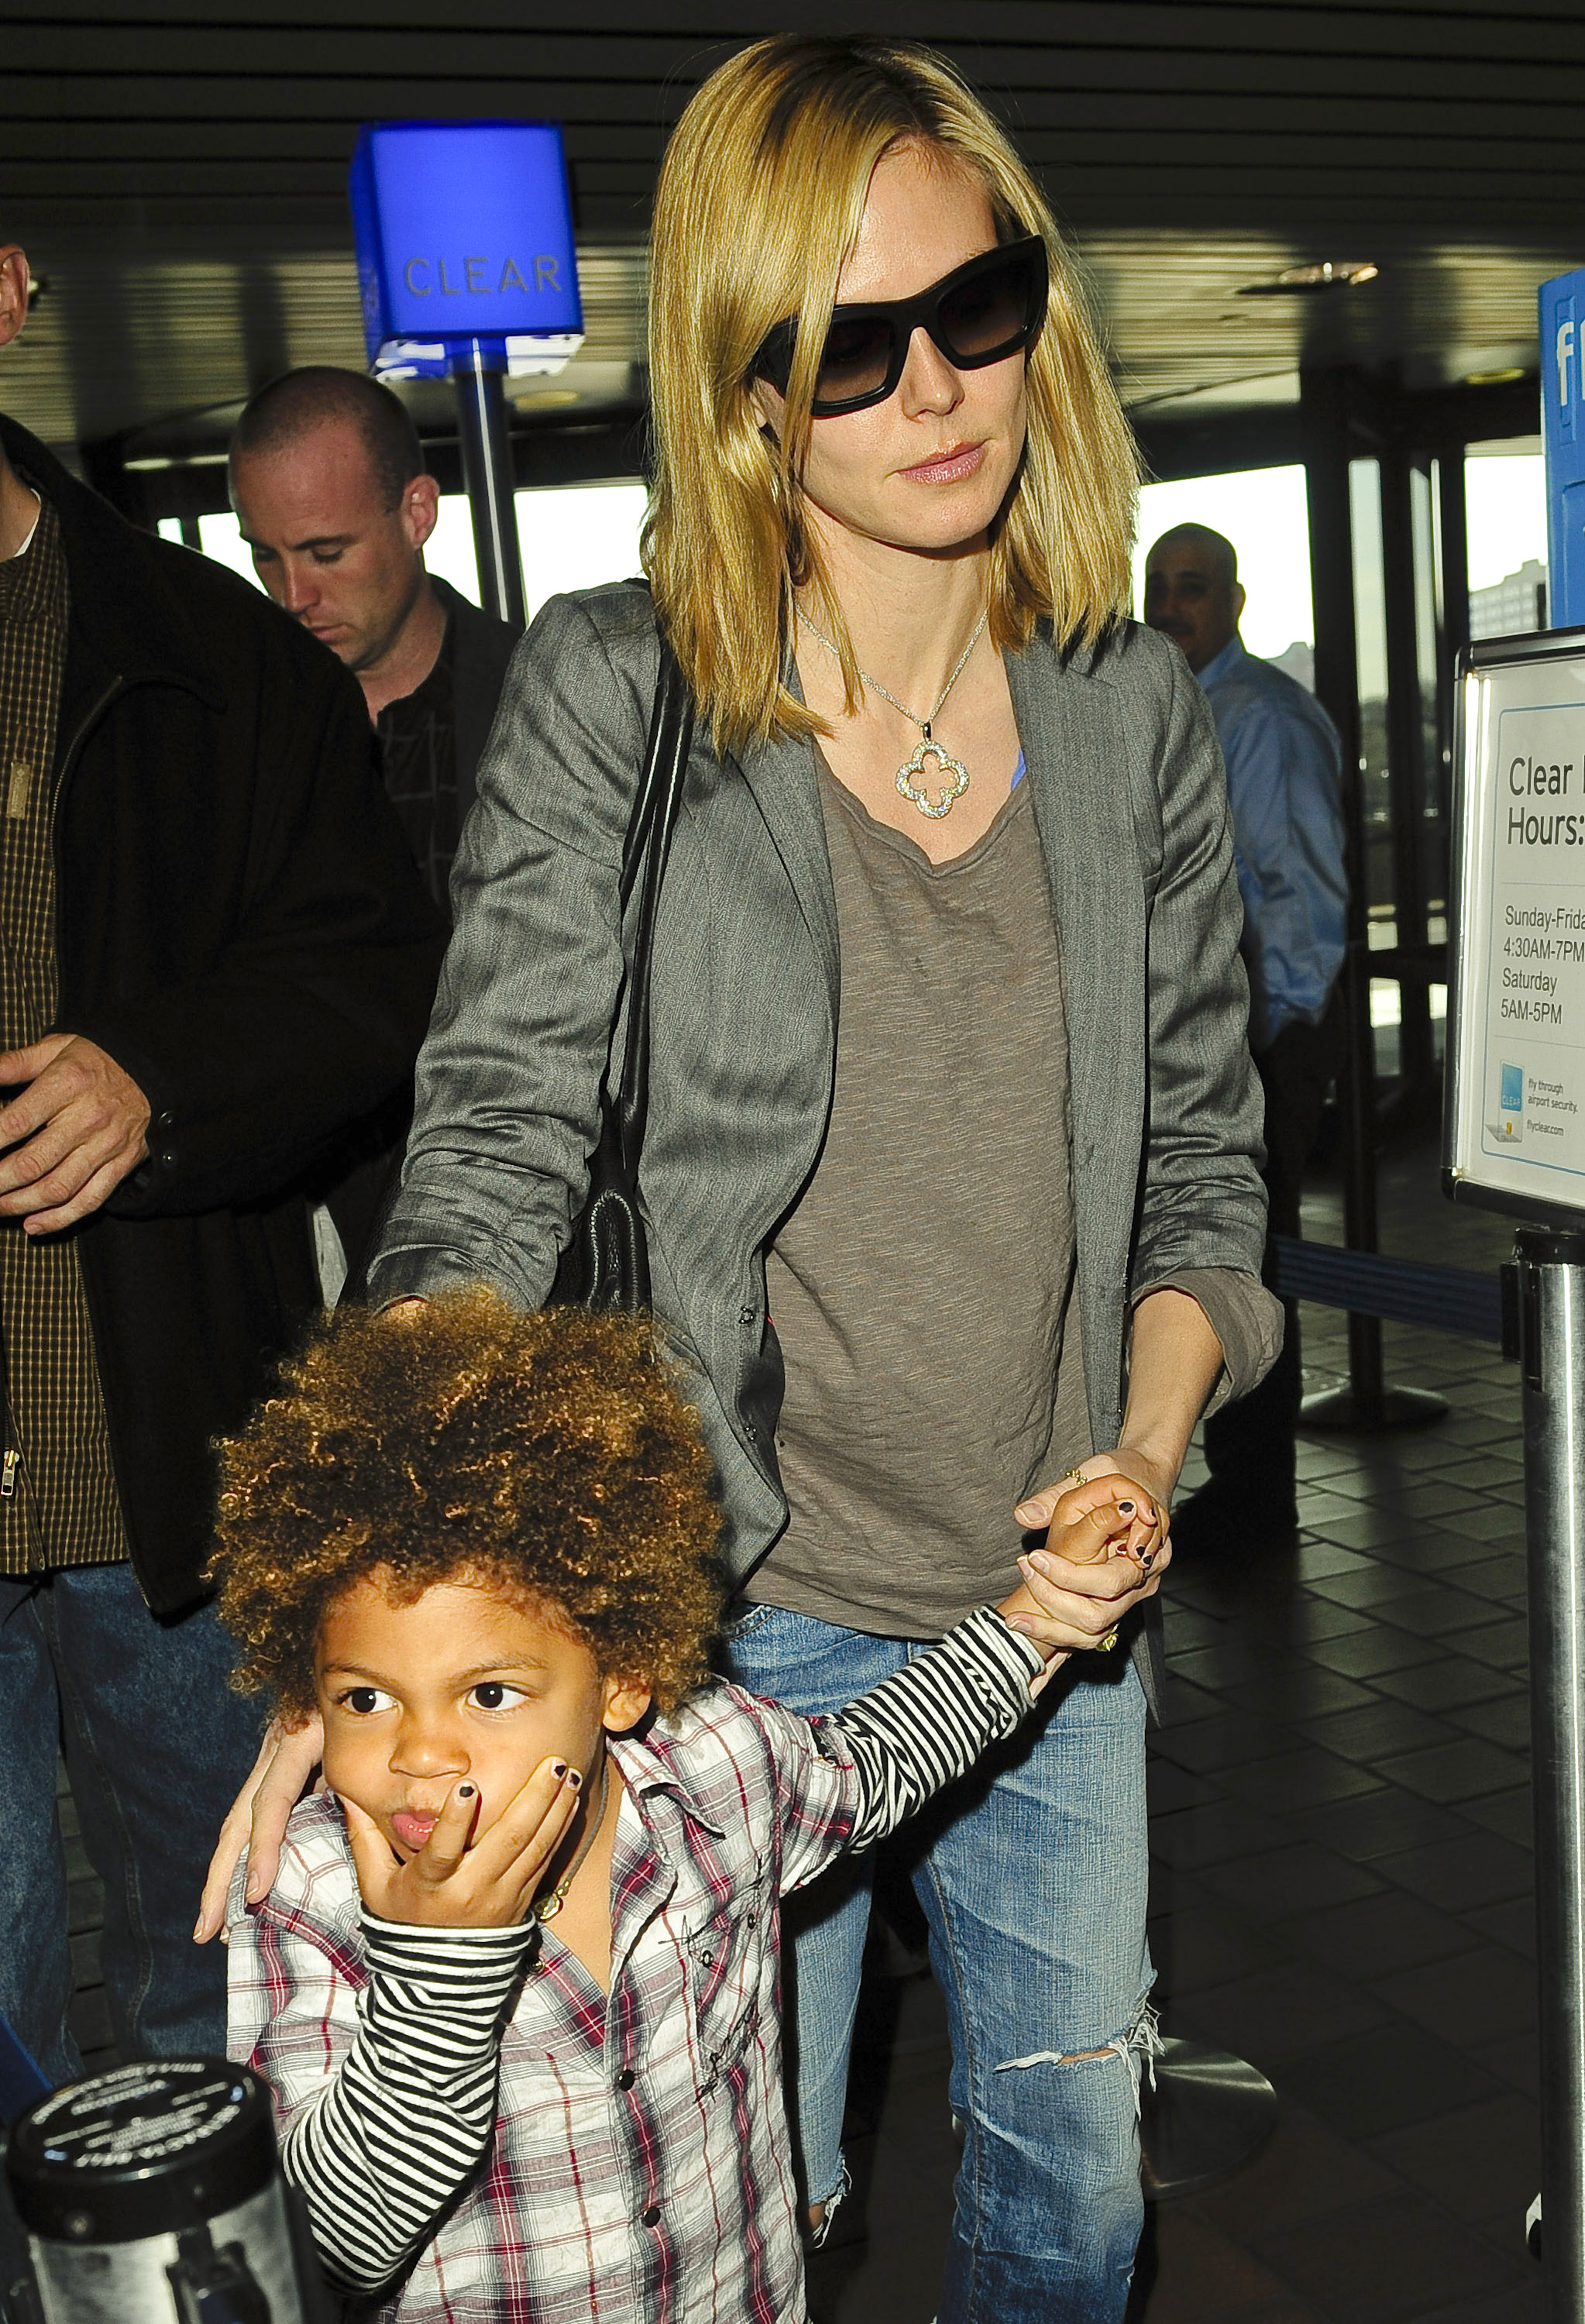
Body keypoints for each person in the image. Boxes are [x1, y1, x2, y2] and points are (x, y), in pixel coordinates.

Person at [201, 38, 1279, 2320]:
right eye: (848, 345)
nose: (935, 389)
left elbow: (1200, 1159)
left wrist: (1142, 1451)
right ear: (749, 389)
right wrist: (378, 1582)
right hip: (720, 1616)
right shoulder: (623, 692)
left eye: (972, 308)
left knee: (1073, 2189)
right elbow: (488, 1133)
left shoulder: (1122, 710)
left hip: (1049, 1614)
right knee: (744, 2212)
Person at [216, 1289, 1141, 2322]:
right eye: (364, 1697)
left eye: (489, 1693)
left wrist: (1039, 1616)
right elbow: (327, 2249)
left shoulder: (719, 1769)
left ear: (618, 1677)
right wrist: (436, 1986)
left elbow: (877, 1766)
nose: (421, 1752)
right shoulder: (309, 1890)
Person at [0, 238, 445, 2089]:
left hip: (160, 1489)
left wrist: (155, 1077)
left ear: (7, 286)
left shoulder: (215, 655)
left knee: (228, 2010)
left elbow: (367, 981)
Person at [229, 369, 522, 1293]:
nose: (292, 593)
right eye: (265, 557)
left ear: (418, 511)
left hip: (524, 1232)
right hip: (314, 1246)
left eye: (325, 552)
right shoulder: (240, 744)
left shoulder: (544, 701)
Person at [1144, 523, 1347, 1547]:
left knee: (1253, 1258)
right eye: (1159, 588)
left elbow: (1303, 891)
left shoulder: (1260, 716)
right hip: (1209, 1042)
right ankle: (1238, 1485)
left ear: (1233, 601)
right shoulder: (1165, 711)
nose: (1171, 606)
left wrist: (1276, 1045)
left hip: (1262, 1040)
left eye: (1193, 589)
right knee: (1211, 1246)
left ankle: (1256, 1498)